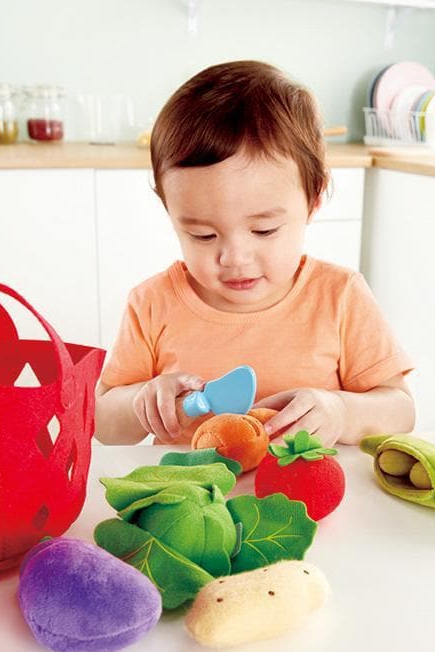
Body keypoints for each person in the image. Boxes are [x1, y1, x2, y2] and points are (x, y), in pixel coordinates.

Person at [94, 60, 415, 448]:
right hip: (190, 500)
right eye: (202, 234)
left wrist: (340, 411)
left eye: (264, 230)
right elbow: (104, 424)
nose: (233, 257)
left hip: (308, 500)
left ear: (313, 200)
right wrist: (143, 403)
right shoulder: (152, 303)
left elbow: (400, 410)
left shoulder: (340, 296)